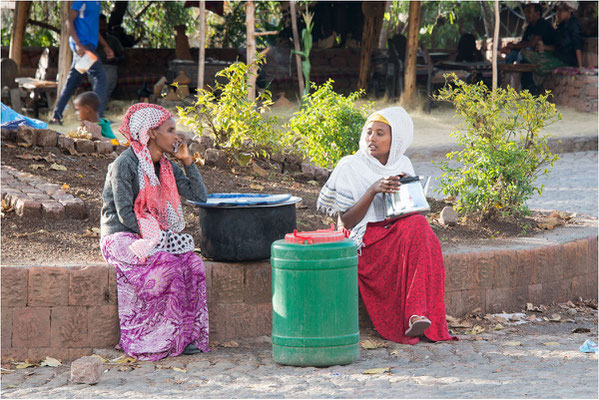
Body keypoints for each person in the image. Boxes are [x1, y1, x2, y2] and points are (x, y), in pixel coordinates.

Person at [317, 107, 457, 345]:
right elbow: (347, 222)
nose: (372, 138)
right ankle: (414, 315)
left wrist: (406, 192)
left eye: (380, 133)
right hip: (364, 239)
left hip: (392, 230)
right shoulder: (350, 165)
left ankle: (416, 315)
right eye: (369, 132)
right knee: (419, 230)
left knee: (421, 227)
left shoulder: (402, 163)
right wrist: (374, 189)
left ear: (396, 139)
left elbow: (406, 213)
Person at [100, 103, 210, 360]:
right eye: (170, 130)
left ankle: (184, 338)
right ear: (150, 133)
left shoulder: (166, 167)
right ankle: (153, 339)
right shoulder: (123, 164)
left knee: (193, 263)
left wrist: (187, 161)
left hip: (153, 237)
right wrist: (156, 240)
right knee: (167, 264)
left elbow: (199, 196)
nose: (177, 136)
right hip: (121, 237)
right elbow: (126, 214)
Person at [50, 1, 113, 125]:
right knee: (101, 78)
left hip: (88, 46)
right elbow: (69, 21)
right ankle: (96, 118)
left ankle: (56, 117)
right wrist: (78, 44)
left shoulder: (97, 3)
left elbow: (94, 29)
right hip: (83, 47)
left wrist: (105, 46)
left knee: (72, 83)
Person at [521, 2, 583, 88]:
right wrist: (544, 47)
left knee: (539, 66)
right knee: (526, 54)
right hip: (556, 56)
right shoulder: (561, 26)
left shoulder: (574, 26)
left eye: (560, 12)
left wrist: (580, 68)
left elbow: (577, 46)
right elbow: (557, 46)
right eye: (557, 12)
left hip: (566, 61)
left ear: (569, 12)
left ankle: (536, 88)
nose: (558, 14)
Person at [98, 14, 125, 99]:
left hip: (110, 67)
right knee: (98, 83)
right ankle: (101, 104)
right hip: (96, 68)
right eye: (100, 25)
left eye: (104, 25)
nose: (102, 28)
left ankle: (101, 104)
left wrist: (114, 59)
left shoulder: (113, 40)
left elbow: (123, 57)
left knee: (108, 82)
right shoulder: (91, 40)